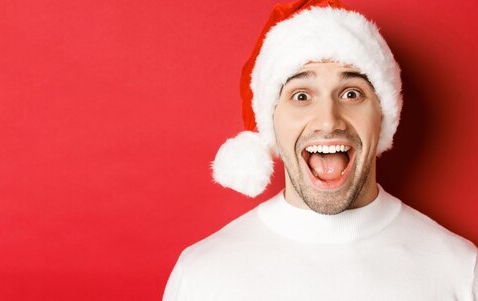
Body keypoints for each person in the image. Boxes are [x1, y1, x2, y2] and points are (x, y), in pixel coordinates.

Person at [163, 0, 478, 300]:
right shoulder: (202, 275)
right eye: (301, 96)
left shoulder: (460, 270)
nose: (328, 122)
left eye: (351, 93)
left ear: (383, 115)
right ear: (271, 121)